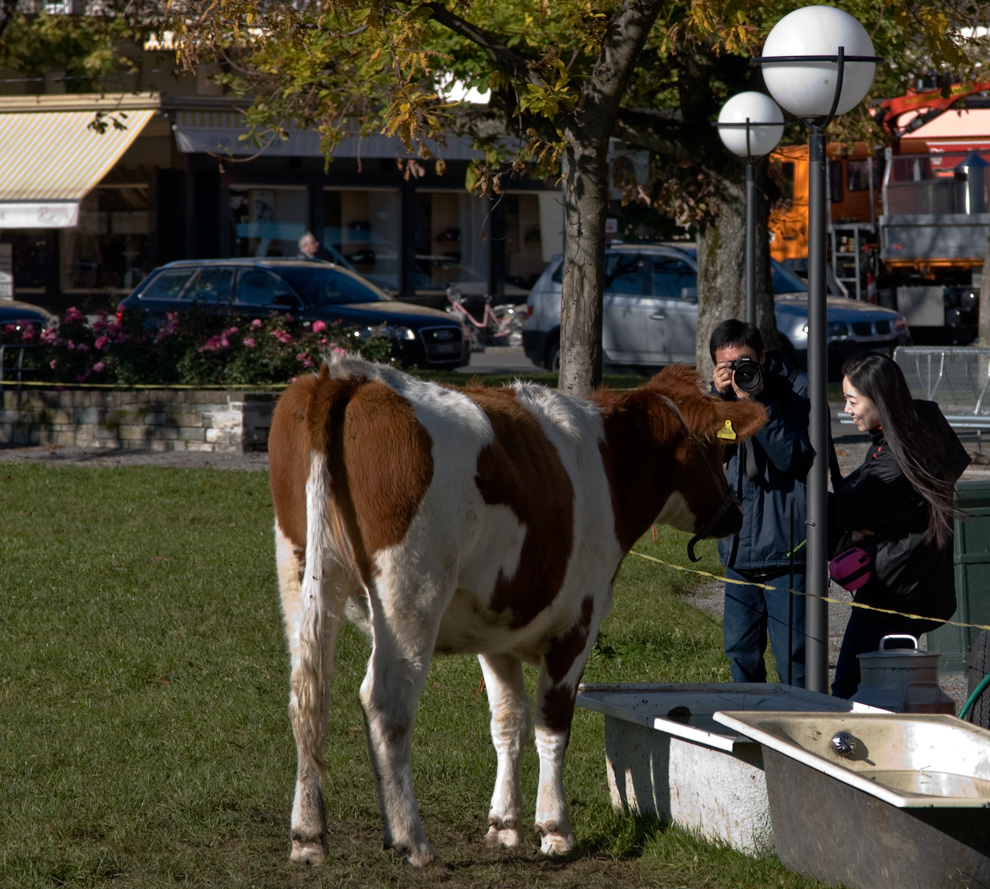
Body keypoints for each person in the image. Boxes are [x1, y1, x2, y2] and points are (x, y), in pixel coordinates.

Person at [831, 352, 970, 698]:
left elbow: (850, 506)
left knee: (850, 688)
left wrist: (863, 526)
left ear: (879, 399)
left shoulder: (897, 456)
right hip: (920, 585)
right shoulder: (923, 423)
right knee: (896, 687)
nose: (846, 410)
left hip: (893, 590)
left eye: (852, 400)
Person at [710, 320, 812, 687]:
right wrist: (720, 401)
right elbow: (712, 455)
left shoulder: (796, 389)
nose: (740, 373)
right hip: (738, 548)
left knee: (795, 662)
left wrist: (757, 401)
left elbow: (795, 458)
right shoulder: (720, 399)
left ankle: (801, 738)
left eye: (746, 362)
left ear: (763, 357)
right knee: (740, 654)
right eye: (729, 367)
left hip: (786, 548)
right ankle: (747, 734)